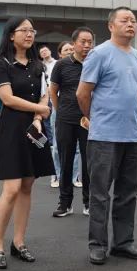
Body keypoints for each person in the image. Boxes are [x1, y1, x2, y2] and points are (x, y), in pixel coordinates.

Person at [77, 7, 137, 265]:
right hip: (104, 136)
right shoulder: (99, 54)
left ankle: (123, 243)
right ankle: (97, 244)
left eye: (133, 20)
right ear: (111, 26)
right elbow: (82, 93)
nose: (130, 24)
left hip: (134, 136)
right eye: (124, 20)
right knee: (100, 193)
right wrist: (94, 118)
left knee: (128, 192)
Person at [0, 17, 56, 269]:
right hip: (12, 130)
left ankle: (19, 242)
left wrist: (38, 117)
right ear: (11, 35)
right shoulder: (1, 64)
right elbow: (7, 99)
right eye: (23, 30)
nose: (29, 34)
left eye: (31, 30)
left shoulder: (38, 65)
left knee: (27, 185)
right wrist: (40, 109)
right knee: (12, 188)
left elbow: (44, 95)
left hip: (33, 128)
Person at [50, 32, 92, 216]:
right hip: (65, 119)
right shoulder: (61, 65)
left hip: (88, 119)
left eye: (90, 42)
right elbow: (53, 90)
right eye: (83, 42)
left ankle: (89, 203)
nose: (87, 45)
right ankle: (65, 203)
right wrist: (60, 111)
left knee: (89, 162)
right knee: (65, 160)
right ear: (74, 43)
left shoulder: (95, 63)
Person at [39, 44, 61, 189]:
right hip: (45, 95)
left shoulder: (57, 63)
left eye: (45, 50)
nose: (44, 53)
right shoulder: (41, 66)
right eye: (41, 52)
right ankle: (50, 141)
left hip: (56, 95)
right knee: (46, 121)